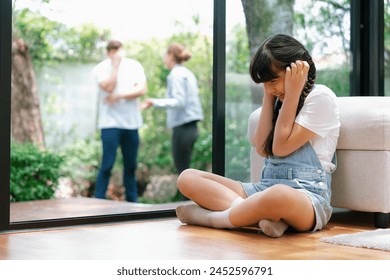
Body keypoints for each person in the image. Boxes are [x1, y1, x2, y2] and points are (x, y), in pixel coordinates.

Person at [175, 34, 340, 238]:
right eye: (264, 83)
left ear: (296, 71)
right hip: (263, 189)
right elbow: (262, 147)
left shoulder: (321, 97)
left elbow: (280, 147)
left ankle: (214, 219)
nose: (269, 88)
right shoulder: (278, 98)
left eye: (273, 81)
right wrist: (269, 96)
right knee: (187, 178)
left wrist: (293, 92)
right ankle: (266, 217)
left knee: (278, 194)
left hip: (307, 196)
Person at [142, 43, 204, 200]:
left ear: (170, 55)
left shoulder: (176, 74)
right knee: (186, 170)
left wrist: (154, 102)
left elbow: (179, 101)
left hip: (183, 128)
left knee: (183, 173)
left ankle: (190, 208)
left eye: (165, 54)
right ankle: (191, 207)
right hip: (191, 127)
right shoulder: (187, 73)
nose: (164, 58)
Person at [92, 40, 147, 202]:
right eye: (113, 51)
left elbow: (142, 89)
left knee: (131, 165)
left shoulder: (134, 66)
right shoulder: (100, 68)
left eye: (119, 50)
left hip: (131, 123)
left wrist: (118, 96)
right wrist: (114, 67)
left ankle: (132, 201)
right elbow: (108, 87)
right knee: (107, 164)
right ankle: (98, 200)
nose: (117, 54)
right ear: (108, 53)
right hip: (110, 123)